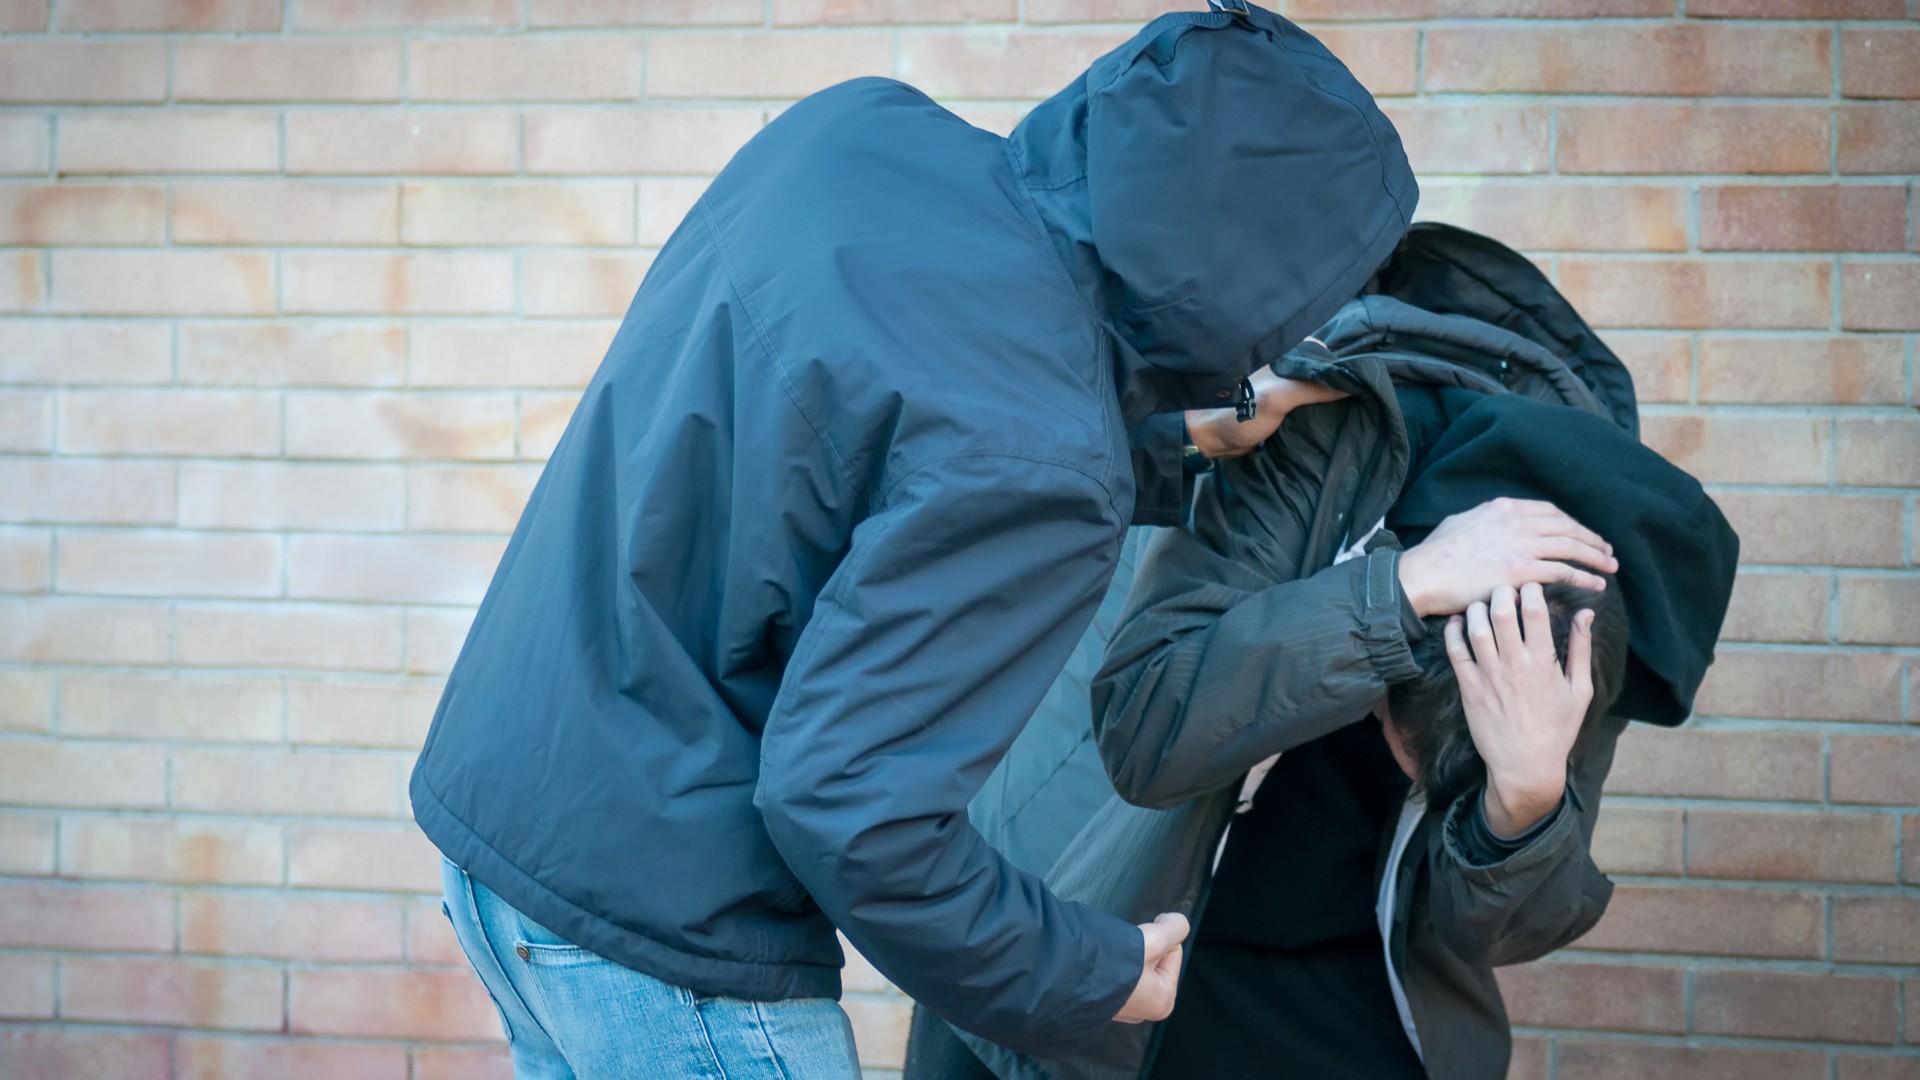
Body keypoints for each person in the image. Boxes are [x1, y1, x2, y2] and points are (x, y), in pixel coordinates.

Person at [408, 3, 1432, 1076]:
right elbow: (852, 808)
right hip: (669, 937)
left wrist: (1172, 439)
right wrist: (1093, 973)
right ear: (1265, 265)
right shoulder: (1043, 455)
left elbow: (884, 438)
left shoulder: (855, 128)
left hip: (505, 835)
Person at [911, 224, 1739, 1080]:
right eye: (1408, 750)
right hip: (1097, 873)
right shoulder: (1303, 430)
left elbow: (1502, 928)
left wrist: (1525, 802)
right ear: (1386, 691)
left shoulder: (1579, 600)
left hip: (1348, 967)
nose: (1410, 778)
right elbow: (1147, 730)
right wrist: (1394, 595)